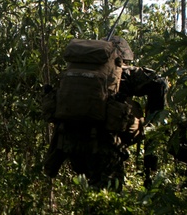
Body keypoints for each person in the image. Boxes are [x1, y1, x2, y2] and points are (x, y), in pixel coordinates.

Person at [43, 36, 167, 190]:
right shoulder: (124, 74)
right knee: (108, 196)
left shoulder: (73, 72)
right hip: (103, 145)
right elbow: (159, 83)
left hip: (71, 144)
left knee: (90, 191)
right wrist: (151, 131)